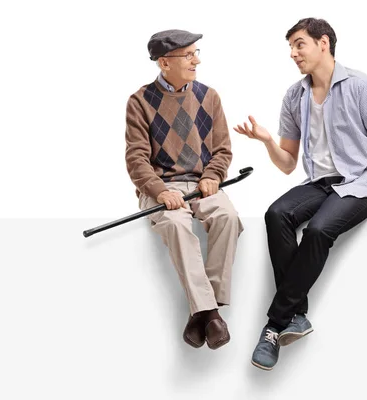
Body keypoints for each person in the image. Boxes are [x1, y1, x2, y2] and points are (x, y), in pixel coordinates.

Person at [234, 18, 367, 370]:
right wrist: (266, 141)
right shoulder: (295, 96)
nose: (293, 54)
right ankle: (297, 315)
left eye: (299, 44)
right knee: (276, 213)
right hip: (320, 183)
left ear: (323, 43)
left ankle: (275, 324)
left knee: (318, 230)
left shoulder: (360, 86)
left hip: (360, 184)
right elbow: (288, 163)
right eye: (291, 47)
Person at [125, 29, 243, 350]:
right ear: (165, 63)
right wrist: (159, 191)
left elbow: (222, 150)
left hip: (203, 185)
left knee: (228, 217)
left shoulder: (210, 96)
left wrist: (213, 175)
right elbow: (136, 159)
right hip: (162, 187)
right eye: (189, 55)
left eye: (197, 52)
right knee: (177, 226)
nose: (197, 60)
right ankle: (210, 315)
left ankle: (205, 312)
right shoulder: (139, 102)